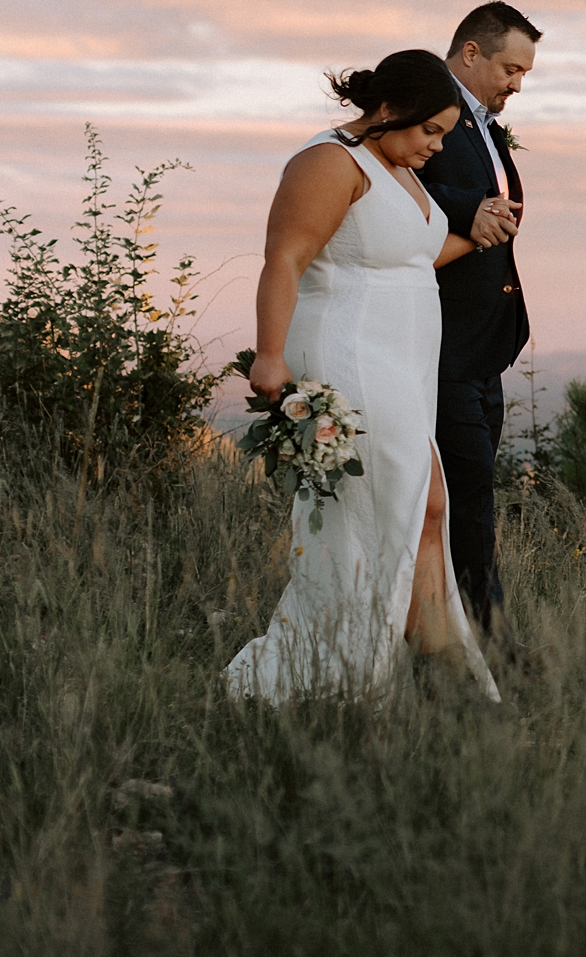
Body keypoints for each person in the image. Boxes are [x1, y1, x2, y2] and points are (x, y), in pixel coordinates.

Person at [226, 49, 500, 703]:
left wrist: (481, 232)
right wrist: (269, 355)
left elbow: (415, 255)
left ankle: (442, 676)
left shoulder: (395, 167)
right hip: (350, 356)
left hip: (402, 367)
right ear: (387, 110)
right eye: (428, 130)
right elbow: (285, 257)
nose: (436, 145)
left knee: (426, 507)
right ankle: (328, 674)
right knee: (381, 516)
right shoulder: (329, 162)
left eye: (444, 133)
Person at [416, 1, 538, 642]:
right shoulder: (423, 111)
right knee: (467, 501)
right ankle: (485, 642)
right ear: (470, 53)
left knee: (472, 494)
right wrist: (470, 209)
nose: (517, 84)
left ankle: (459, 630)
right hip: (442, 344)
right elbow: (397, 182)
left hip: (483, 348)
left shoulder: (485, 125)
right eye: (511, 68)